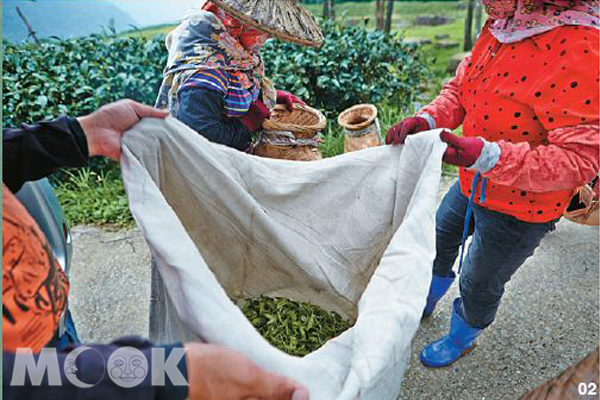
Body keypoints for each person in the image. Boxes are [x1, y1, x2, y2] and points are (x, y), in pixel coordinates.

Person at [2, 99, 309, 400]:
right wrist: (167, 375)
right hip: (31, 367)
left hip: (47, 323)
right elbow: (23, 377)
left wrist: (81, 134)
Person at [387, 0, 599, 368]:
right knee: (438, 239)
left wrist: (488, 157)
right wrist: (427, 120)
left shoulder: (581, 46)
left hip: (522, 210)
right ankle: (426, 298)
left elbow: (578, 160)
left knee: (479, 281)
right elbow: (460, 90)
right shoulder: (506, 25)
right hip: (472, 184)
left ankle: (462, 335)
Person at [155, 0, 323, 151]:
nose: (266, 37)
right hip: (200, 172)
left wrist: (271, 96)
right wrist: (248, 124)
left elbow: (230, 93)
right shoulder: (204, 76)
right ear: (235, 24)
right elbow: (201, 137)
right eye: (259, 28)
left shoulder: (233, 56)